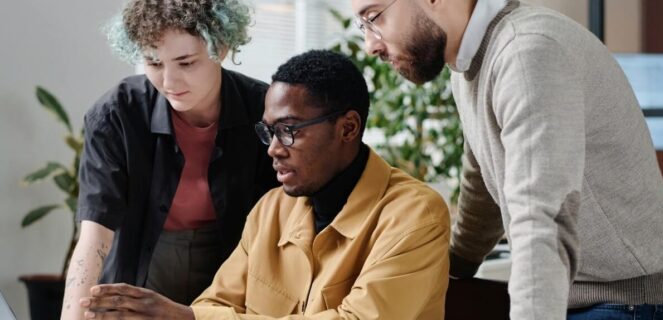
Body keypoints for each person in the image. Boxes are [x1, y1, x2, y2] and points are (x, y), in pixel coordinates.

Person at [351, 0, 663, 319]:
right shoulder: (467, 65)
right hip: (584, 296)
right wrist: (451, 268)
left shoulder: (526, 53)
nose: (370, 46)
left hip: (628, 300)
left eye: (374, 17)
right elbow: (481, 185)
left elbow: (541, 218)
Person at [77, 50, 451, 319]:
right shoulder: (271, 209)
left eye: (288, 131)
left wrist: (187, 319)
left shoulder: (416, 216)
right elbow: (216, 304)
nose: (273, 149)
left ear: (348, 128)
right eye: (268, 131)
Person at [61, 0, 279, 318]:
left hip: (234, 270)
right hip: (141, 265)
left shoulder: (265, 109)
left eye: (186, 63)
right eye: (154, 63)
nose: (169, 82)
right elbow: (95, 231)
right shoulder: (117, 113)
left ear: (220, 47)